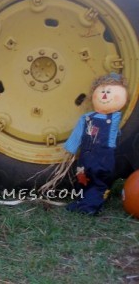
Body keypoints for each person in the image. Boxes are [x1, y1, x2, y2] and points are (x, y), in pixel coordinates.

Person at [63, 73, 128, 215]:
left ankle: (91, 206)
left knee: (99, 182)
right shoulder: (86, 118)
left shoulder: (114, 118)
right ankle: (81, 201)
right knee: (82, 180)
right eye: (102, 91)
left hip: (103, 159)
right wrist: (71, 148)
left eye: (109, 92)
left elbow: (114, 137)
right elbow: (78, 133)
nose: (105, 95)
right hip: (85, 158)